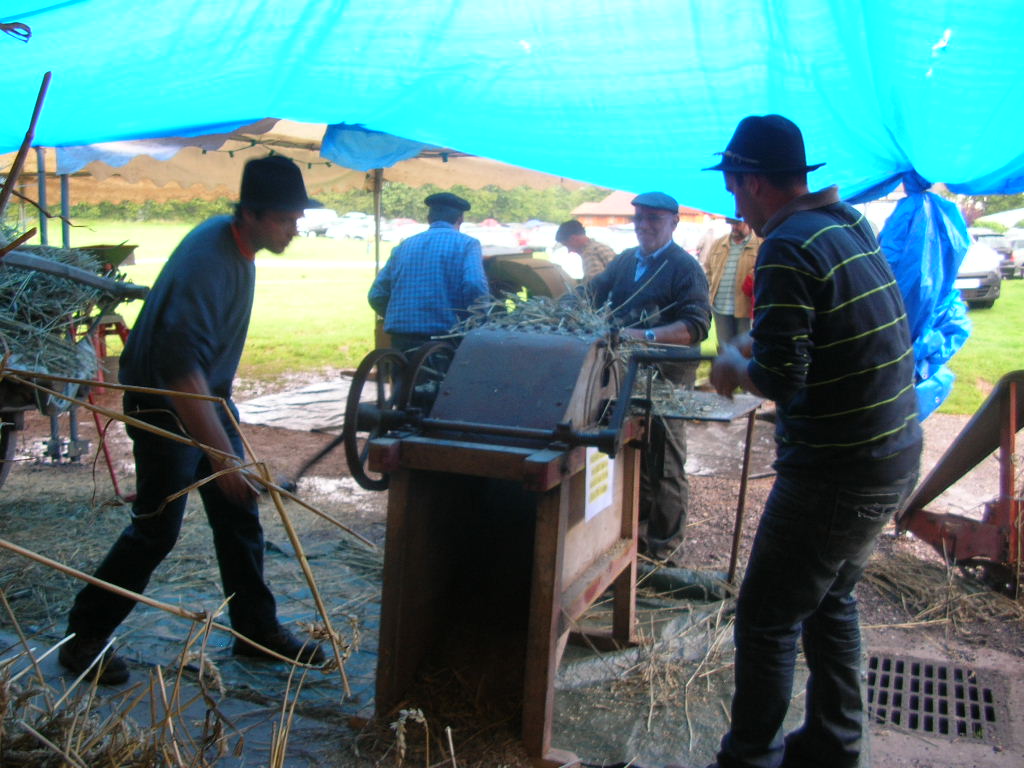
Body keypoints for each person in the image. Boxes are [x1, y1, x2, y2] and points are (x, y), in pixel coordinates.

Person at [684, 115, 922, 768]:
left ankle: (750, 758)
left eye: (733, 185)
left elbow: (783, 378)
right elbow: (820, 325)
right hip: (893, 452)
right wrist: (751, 342)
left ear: (755, 182)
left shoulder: (787, 244)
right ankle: (832, 746)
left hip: (838, 471)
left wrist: (734, 366)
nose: (732, 199)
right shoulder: (844, 225)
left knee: (765, 618)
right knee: (829, 600)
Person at [59, 155, 326, 685]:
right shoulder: (210, 261)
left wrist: (227, 458)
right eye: (284, 219)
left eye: (297, 218)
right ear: (249, 213)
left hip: (208, 399)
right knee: (157, 529)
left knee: (239, 513)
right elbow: (180, 373)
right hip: (165, 403)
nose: (294, 229)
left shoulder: (235, 245)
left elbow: (197, 374)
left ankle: (255, 631)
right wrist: (223, 461)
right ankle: (83, 636)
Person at [585, 192, 711, 565]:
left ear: (674, 222)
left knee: (666, 458)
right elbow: (593, 292)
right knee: (633, 450)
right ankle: (635, 528)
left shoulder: (685, 267)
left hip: (667, 377)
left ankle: (664, 549)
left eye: (654, 218)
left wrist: (643, 336)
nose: (644, 226)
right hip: (626, 374)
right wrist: (561, 306)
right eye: (639, 218)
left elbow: (696, 326)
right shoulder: (626, 260)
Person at [368, 192, 489, 353]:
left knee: (404, 370)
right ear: (460, 219)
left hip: (401, 337)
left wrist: (399, 316)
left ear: (429, 218)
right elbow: (474, 285)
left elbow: (376, 294)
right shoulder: (467, 244)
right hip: (446, 337)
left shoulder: (404, 246)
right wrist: (480, 320)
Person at [704, 217, 761, 351]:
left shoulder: (760, 244)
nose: (734, 227)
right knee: (724, 349)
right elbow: (708, 269)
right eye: (731, 224)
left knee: (745, 350)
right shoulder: (719, 243)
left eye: (738, 224)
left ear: (748, 223)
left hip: (746, 309)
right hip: (720, 307)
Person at [554, 219, 615, 283]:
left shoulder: (591, 252)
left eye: (567, 245)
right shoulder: (596, 247)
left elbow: (595, 284)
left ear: (573, 239)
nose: (569, 251)